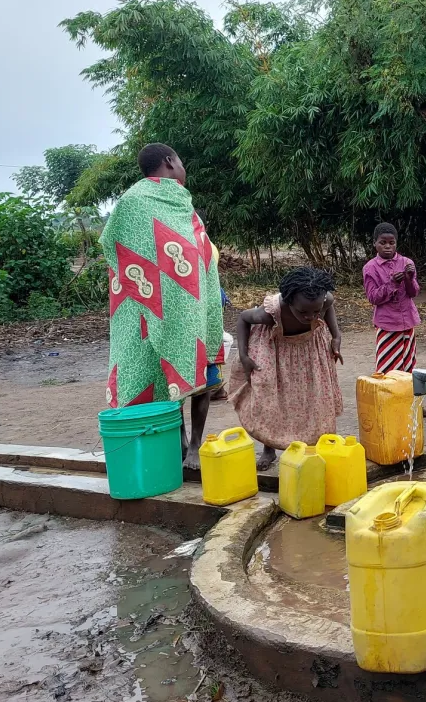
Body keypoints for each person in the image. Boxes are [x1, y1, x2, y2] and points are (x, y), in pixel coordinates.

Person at [100, 143, 225, 465]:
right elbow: (119, 247)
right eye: (181, 161)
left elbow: (194, 251)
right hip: (154, 306)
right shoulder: (134, 203)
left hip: (194, 306)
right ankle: (180, 441)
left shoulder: (183, 204)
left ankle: (195, 445)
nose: (183, 167)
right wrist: (163, 292)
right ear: (170, 161)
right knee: (164, 373)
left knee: (197, 373)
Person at [232, 267, 344, 469]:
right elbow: (242, 319)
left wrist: (336, 337)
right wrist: (243, 355)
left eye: (315, 311)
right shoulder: (270, 313)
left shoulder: (325, 299)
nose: (310, 317)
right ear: (289, 302)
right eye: (303, 312)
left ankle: (315, 447)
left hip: (310, 349)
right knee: (271, 399)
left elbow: (329, 310)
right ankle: (269, 448)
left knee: (313, 398)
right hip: (274, 351)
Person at [363, 223, 421, 373]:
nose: (387, 246)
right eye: (383, 243)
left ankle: (407, 395)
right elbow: (373, 297)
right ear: (375, 243)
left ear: (396, 243)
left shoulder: (406, 262)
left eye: (391, 243)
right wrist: (392, 284)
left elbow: (413, 292)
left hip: (407, 322)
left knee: (408, 365)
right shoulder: (371, 268)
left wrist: (408, 278)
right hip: (387, 324)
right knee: (387, 369)